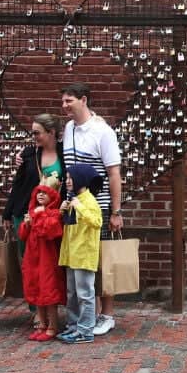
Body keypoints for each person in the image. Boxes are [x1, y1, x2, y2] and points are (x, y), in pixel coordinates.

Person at [60, 82, 124, 336]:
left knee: (102, 261)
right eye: (63, 101)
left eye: (69, 101)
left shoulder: (102, 132)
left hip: (99, 206)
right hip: (74, 206)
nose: (64, 106)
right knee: (80, 262)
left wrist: (116, 212)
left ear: (83, 100)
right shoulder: (68, 129)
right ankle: (87, 315)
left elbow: (114, 172)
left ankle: (107, 315)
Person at [2, 113, 64, 326]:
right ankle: (36, 311)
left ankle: (53, 310)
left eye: (37, 132)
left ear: (51, 132)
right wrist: (7, 213)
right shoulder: (28, 154)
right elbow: (18, 184)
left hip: (52, 218)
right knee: (29, 263)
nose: (34, 136)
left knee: (51, 264)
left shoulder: (65, 154)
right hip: (27, 215)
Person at [56, 164, 104, 344]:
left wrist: (79, 207)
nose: (67, 181)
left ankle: (85, 330)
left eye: (70, 177)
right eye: (66, 177)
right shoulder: (73, 199)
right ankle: (73, 326)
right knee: (73, 294)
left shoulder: (89, 200)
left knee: (85, 294)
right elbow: (71, 228)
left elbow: (97, 222)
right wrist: (62, 211)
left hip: (83, 255)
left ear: (81, 179)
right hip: (72, 255)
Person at [18, 183, 64, 342]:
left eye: (45, 193)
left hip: (47, 259)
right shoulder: (33, 212)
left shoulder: (54, 213)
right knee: (36, 290)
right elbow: (23, 235)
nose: (41, 195)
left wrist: (37, 216)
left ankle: (53, 326)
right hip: (33, 258)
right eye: (38, 193)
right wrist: (27, 223)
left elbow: (50, 231)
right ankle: (42, 324)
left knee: (49, 291)